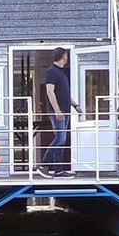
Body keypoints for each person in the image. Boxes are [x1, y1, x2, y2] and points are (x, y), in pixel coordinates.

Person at [38, 48, 83, 178]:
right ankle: (43, 165)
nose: (67, 58)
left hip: (65, 111)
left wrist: (75, 105)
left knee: (61, 140)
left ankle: (58, 170)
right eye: (66, 55)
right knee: (60, 138)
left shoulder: (62, 72)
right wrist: (57, 110)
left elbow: (64, 94)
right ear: (63, 56)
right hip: (58, 111)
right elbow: (49, 91)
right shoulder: (51, 71)